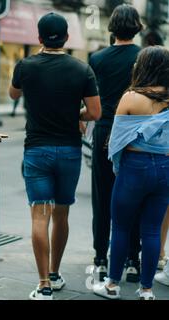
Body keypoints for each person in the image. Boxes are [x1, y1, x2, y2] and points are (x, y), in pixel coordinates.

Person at [9, 13, 101, 300]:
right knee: (62, 213)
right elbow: (95, 113)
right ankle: (55, 274)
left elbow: (13, 95)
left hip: (37, 149)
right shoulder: (82, 69)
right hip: (70, 152)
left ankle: (43, 285)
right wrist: (77, 115)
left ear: (38, 38)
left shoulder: (26, 66)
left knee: (40, 215)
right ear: (67, 38)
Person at [93, 46, 169, 300]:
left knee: (122, 227)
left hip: (134, 167)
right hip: (165, 169)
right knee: (151, 229)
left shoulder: (131, 97)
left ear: (142, 67)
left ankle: (112, 285)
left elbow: (116, 140)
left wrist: (118, 166)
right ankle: (146, 290)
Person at [89, 4, 143, 283]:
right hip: (136, 133)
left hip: (105, 131)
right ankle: (133, 259)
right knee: (134, 197)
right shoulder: (144, 58)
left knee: (102, 196)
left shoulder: (97, 59)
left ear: (112, 27)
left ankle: (100, 257)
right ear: (137, 26)